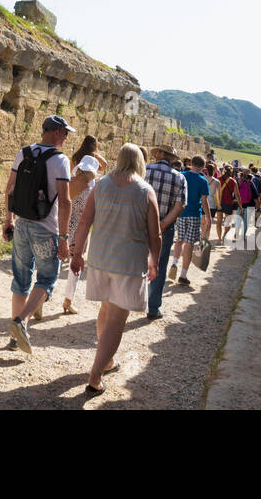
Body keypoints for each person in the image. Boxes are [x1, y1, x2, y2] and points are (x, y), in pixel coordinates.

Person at [70, 144, 161, 396]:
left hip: (100, 259)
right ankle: (95, 375)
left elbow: (85, 221)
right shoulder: (145, 191)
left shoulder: (102, 185)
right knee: (117, 321)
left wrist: (78, 254)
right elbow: (156, 234)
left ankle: (106, 361)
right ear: (139, 162)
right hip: (128, 264)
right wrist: (154, 260)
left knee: (106, 311)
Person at [3, 116, 74, 353]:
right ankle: (21, 321)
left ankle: (14, 338)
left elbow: (10, 189)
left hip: (22, 224)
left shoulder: (23, 153)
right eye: (65, 133)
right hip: (46, 229)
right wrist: (63, 239)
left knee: (20, 279)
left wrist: (8, 220)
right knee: (46, 279)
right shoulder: (60, 161)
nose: (66, 137)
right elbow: (64, 201)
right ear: (55, 132)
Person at [60, 135, 107, 315]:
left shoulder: (70, 184)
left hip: (66, 224)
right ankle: (68, 300)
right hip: (81, 229)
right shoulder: (94, 188)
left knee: (56, 259)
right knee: (75, 264)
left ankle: (42, 296)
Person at [144, 147, 186, 319]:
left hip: (141, 223)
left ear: (159, 155)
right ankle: (153, 308)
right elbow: (180, 205)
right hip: (164, 227)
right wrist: (163, 223)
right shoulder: (179, 177)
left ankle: (129, 299)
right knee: (159, 265)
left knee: (134, 260)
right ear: (171, 159)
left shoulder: (145, 169)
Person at [168, 157, 211, 284]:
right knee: (189, 244)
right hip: (193, 214)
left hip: (180, 212)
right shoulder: (203, 181)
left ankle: (174, 264)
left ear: (191, 164)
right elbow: (204, 201)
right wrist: (208, 217)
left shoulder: (181, 175)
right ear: (203, 167)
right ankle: (183, 275)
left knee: (179, 241)